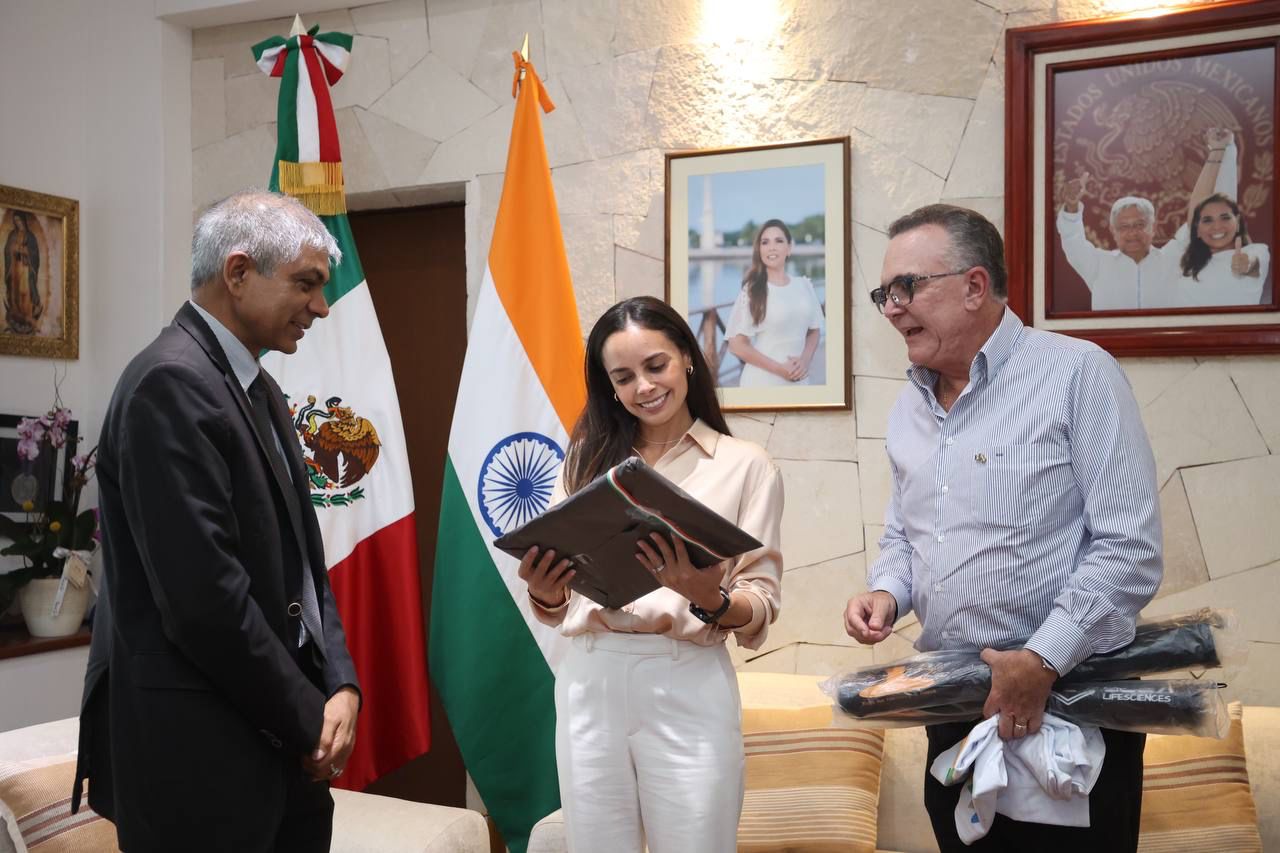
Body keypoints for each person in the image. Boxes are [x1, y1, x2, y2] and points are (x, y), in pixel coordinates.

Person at [845, 204, 1162, 852]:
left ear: (974, 285)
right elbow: (906, 535)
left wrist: (1041, 658)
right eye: (885, 294)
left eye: (907, 287)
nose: (892, 308)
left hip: (1070, 704)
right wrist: (887, 592)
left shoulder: (1078, 373)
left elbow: (1129, 548)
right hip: (955, 710)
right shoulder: (908, 407)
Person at [73, 190, 361, 853]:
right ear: (238, 273)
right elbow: (206, 604)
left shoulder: (260, 386)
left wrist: (341, 682)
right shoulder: (168, 384)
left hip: (278, 756)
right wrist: (310, 718)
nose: (321, 306)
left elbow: (304, 564)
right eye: (306, 283)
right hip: (201, 768)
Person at [520, 296, 784, 853]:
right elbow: (565, 600)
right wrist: (546, 593)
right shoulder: (587, 459)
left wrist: (710, 598)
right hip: (589, 678)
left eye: (655, 365)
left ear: (687, 356)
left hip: (685, 677)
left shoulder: (745, 464)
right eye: (623, 377)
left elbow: (760, 602)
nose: (643, 387)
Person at [1055, 132, 1238, 310]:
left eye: (1139, 225)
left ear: (1153, 227)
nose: (1132, 233)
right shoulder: (1097, 264)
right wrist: (1071, 205)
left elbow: (1202, 212)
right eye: (1124, 227)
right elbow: (1072, 239)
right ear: (1113, 231)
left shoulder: (1173, 258)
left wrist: (1220, 151)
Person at [725, 219, 824, 386]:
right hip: (761, 383)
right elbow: (736, 345)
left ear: (789, 248)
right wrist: (780, 369)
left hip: (800, 380)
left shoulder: (804, 285)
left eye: (778, 241)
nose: (771, 247)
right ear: (759, 250)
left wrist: (805, 361)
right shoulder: (752, 290)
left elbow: (814, 331)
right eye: (765, 242)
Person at [1176, 192, 1270, 306]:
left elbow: (1253, 264)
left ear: (1237, 222)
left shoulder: (1257, 250)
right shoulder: (1185, 259)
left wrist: (1245, 265)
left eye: (1225, 218)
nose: (1217, 226)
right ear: (1197, 229)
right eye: (1207, 220)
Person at [3, 210, 42, 334]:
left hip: (26, 269)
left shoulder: (30, 237)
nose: (18, 223)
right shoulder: (12, 235)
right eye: (15, 221)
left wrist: (26, 252)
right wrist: (12, 249)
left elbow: (35, 254)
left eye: (19, 220)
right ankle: (16, 315)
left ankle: (27, 316)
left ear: (23, 221)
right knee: (16, 291)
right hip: (15, 268)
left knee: (26, 291)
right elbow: (7, 251)